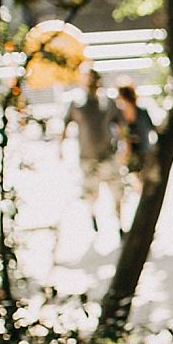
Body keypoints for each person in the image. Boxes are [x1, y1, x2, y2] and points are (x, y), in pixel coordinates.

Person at [60, 68, 121, 233]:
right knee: (91, 194)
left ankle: (119, 223)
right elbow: (65, 124)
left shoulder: (107, 101)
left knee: (116, 191)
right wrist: (60, 148)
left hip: (107, 155)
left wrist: (125, 146)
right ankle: (93, 217)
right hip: (87, 158)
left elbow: (120, 124)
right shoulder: (77, 102)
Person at [112, 77, 157, 187]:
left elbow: (151, 129)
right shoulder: (119, 115)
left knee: (141, 182)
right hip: (130, 153)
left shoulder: (140, 112)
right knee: (136, 182)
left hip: (142, 151)